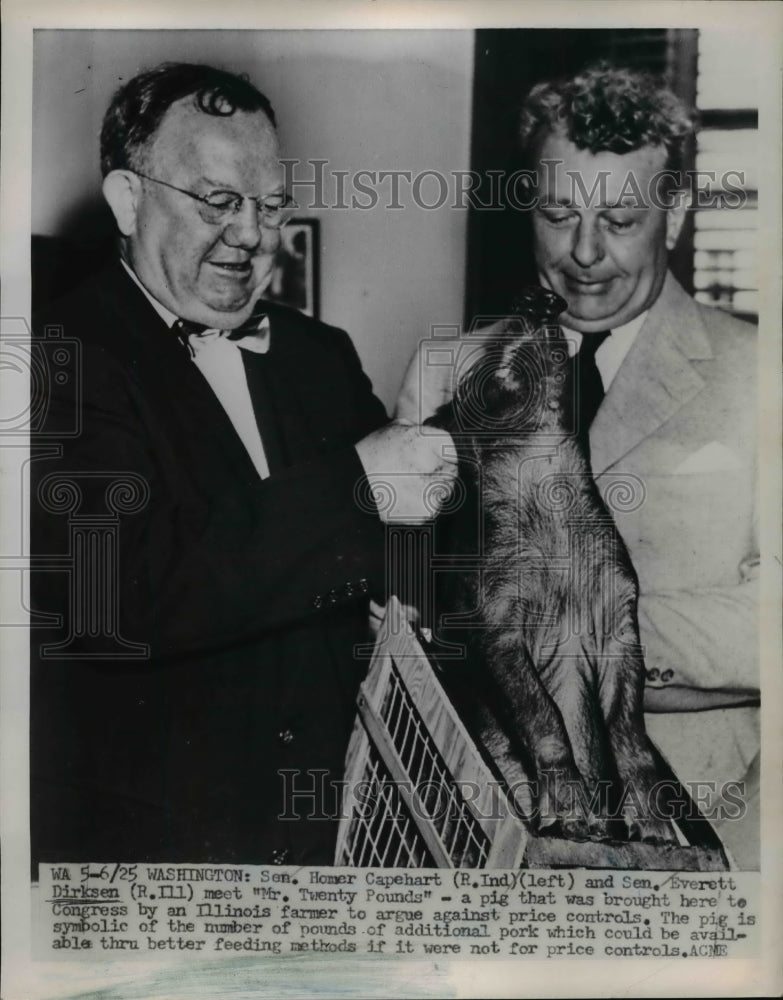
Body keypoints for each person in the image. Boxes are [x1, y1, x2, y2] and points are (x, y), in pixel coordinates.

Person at [30, 62, 455, 871]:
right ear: (127, 199)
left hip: (329, 832)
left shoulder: (318, 355)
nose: (252, 235)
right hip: (147, 851)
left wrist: (414, 558)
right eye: (218, 201)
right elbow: (116, 593)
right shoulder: (57, 356)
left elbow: (395, 551)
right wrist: (359, 486)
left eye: (269, 207)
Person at [397, 65, 759, 866]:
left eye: (620, 219)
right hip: (488, 830)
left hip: (708, 827)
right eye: (558, 214)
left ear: (673, 217)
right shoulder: (445, 372)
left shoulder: (758, 372)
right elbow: (404, 615)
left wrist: (573, 641)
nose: (584, 254)